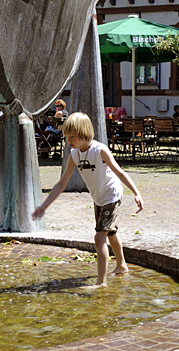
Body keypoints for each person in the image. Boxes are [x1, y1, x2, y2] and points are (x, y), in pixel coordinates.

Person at [32, 112, 144, 288]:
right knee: (110, 231)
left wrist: (136, 193)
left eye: (72, 136)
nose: (69, 140)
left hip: (112, 195)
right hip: (98, 197)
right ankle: (121, 265)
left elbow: (120, 172)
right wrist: (44, 206)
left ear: (84, 133)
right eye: (66, 136)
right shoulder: (74, 155)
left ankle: (101, 282)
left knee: (100, 237)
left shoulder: (100, 150)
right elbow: (61, 183)